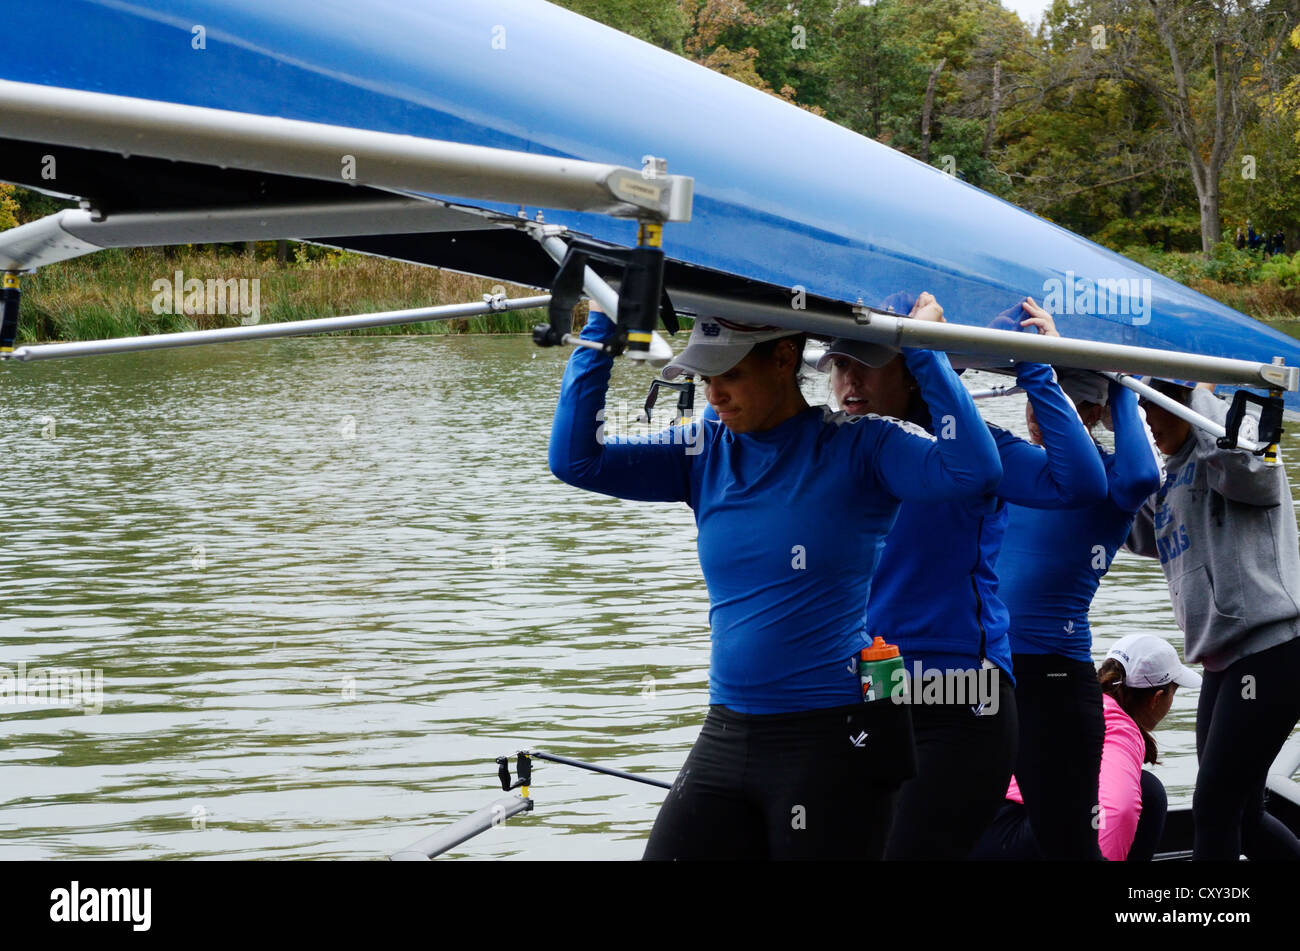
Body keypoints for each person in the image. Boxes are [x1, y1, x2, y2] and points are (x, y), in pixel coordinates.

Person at [548, 295, 1002, 860]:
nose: (714, 394)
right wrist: (603, 324)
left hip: (834, 733)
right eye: (705, 376)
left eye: (731, 374)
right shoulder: (702, 451)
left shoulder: (861, 445)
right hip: (728, 729)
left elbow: (975, 470)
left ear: (784, 357)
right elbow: (575, 461)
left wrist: (926, 352)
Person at [821, 295, 1108, 860]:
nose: (848, 380)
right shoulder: (838, 448)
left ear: (912, 370)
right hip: (877, 688)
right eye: (838, 364)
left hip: (962, 696)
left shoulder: (972, 451)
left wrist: (1035, 363)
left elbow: (1080, 484)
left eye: (866, 362)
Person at [996, 312, 1164, 859]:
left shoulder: (1110, 483)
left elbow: (1145, 476)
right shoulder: (1015, 467)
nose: (1041, 416)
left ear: (1090, 413)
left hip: (1053, 675)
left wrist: (1117, 381)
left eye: (1064, 404)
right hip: (985, 668)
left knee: (1066, 836)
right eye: (1037, 400)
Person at [1127, 378, 1300, 860]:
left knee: (1214, 809)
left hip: (1271, 650)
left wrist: (1198, 390)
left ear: (1180, 400)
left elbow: (1255, 472)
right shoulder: (1171, 474)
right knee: (1241, 812)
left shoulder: (1238, 449)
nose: (1147, 415)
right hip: (1223, 661)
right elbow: (1136, 531)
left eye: (1153, 403)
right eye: (1140, 404)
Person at [973, 634, 1199, 861]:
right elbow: (1119, 811)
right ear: (1157, 698)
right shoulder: (1118, 727)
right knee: (1150, 791)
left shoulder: (1074, 699)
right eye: (1174, 690)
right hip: (1010, 839)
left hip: (979, 829)